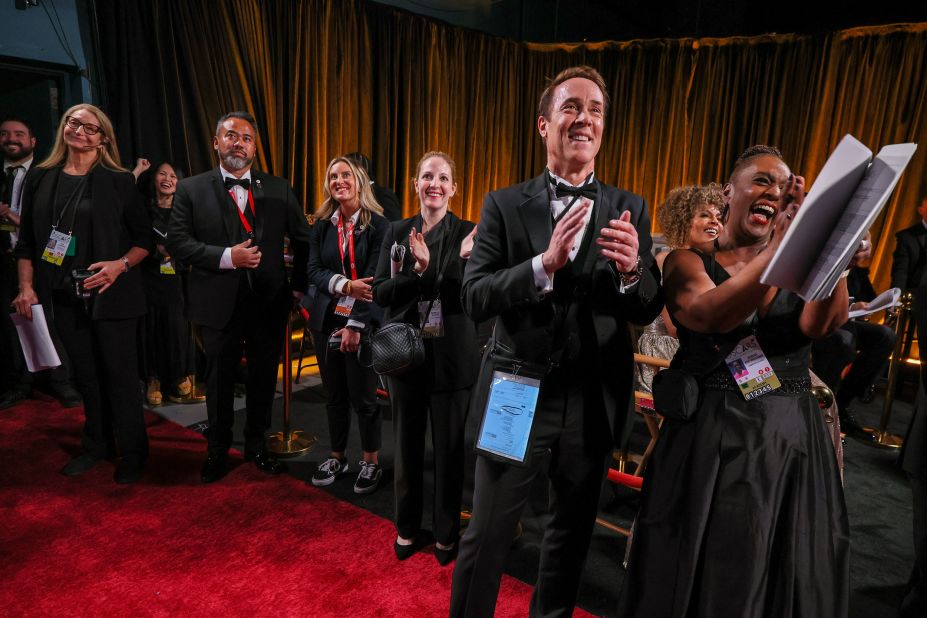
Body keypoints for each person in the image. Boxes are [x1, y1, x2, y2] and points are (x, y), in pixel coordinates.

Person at [451, 66, 663, 616]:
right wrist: (542, 265)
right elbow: (474, 297)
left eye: (595, 109)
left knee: (570, 536)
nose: (584, 118)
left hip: (591, 398)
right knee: (489, 533)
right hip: (515, 389)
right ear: (544, 124)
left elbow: (643, 306)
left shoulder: (630, 206)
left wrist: (633, 271)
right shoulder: (501, 203)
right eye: (571, 107)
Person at [622, 145, 850, 617]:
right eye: (763, 181)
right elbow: (711, 314)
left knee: (783, 566)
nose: (776, 192)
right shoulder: (687, 260)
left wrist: (833, 252)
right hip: (711, 438)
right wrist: (777, 254)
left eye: (786, 187)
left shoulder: (798, 265)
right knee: (713, 565)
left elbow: (820, 325)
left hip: (790, 440)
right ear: (730, 192)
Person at [167, 111, 311, 484]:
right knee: (219, 379)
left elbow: (303, 238)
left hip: (269, 302)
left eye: (246, 138)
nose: (238, 143)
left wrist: (297, 285)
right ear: (216, 142)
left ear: (254, 147)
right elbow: (179, 244)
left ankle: (257, 446)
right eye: (231, 136)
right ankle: (216, 449)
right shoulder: (191, 189)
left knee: (264, 377)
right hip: (215, 303)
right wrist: (228, 257)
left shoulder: (278, 187)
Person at [12, 104, 151, 484]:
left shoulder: (118, 179)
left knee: (120, 378)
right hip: (64, 294)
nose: (80, 132)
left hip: (114, 294)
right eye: (74, 123)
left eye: (91, 128)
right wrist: (26, 287)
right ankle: (97, 445)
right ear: (64, 127)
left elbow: (144, 240)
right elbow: (26, 242)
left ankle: (134, 452)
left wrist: (118, 265)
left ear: (103, 138)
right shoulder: (41, 177)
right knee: (86, 377)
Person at [372, 151, 479, 564]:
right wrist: (415, 274)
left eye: (443, 177)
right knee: (406, 448)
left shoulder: (470, 233)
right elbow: (380, 291)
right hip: (405, 358)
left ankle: (447, 533)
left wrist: (435, 268)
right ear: (416, 183)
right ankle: (406, 526)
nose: (435, 183)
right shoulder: (396, 231)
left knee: (451, 453)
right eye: (427, 176)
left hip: (452, 359)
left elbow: (467, 296)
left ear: (454, 188)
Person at [306, 156, 388, 494]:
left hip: (363, 322)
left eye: (346, 175)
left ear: (360, 181)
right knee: (335, 395)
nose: (339, 180)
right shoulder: (322, 224)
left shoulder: (380, 225)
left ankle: (370, 461)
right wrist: (344, 285)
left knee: (364, 397)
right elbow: (312, 270)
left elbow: (376, 280)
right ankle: (337, 456)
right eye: (333, 176)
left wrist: (356, 324)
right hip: (327, 320)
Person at [0, 117, 81, 411]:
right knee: (13, 326)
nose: (12, 139)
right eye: (5, 134)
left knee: (51, 322)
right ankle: (20, 383)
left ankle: (62, 383)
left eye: (19, 134)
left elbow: (56, 225)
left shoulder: (49, 175)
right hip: (5, 264)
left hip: (46, 262)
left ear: (33, 142)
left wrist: (13, 218)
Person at [637, 184, 724, 392]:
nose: (714, 221)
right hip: (666, 354)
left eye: (720, 217)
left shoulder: (717, 264)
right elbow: (676, 330)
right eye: (705, 214)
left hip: (707, 349)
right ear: (683, 220)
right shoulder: (668, 259)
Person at [812, 233, 896, 440]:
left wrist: (870, 305)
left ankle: (843, 402)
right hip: (824, 319)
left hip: (848, 320)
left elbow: (869, 295)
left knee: (885, 336)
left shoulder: (856, 263)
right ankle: (820, 407)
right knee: (843, 341)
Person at [137, 161, 194, 406]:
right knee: (151, 327)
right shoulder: (143, 209)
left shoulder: (184, 212)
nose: (168, 178)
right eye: (163, 173)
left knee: (175, 327)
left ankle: (179, 374)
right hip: (147, 276)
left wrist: (175, 252)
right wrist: (137, 171)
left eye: (173, 175)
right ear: (154, 179)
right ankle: (154, 378)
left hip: (175, 277)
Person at [344, 152, 403, 222]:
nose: (340, 180)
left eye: (346, 174)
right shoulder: (343, 199)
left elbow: (393, 228)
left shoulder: (383, 196)